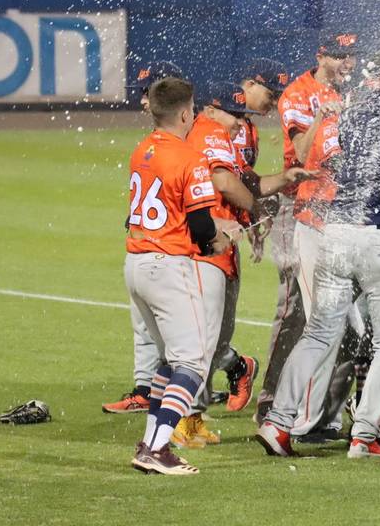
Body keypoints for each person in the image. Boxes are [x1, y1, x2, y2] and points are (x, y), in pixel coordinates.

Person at [256, 49, 380, 459]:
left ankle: (278, 423)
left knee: (318, 332)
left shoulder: (349, 113)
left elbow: (317, 156)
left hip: (335, 232)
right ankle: (364, 435)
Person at [177, 82, 311, 448]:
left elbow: (247, 181)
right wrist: (255, 208)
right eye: (235, 115)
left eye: (244, 116)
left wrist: (283, 180)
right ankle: (182, 418)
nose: (241, 123)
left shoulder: (210, 134)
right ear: (209, 110)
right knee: (202, 338)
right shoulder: (210, 133)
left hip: (213, 246)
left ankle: (193, 415)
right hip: (206, 247)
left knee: (213, 336)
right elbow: (224, 182)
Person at [123, 76, 230, 475]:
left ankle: (150, 442)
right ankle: (157, 447)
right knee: (193, 364)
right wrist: (216, 242)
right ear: (186, 113)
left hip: (136, 263)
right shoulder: (189, 156)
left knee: (170, 360)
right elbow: (201, 227)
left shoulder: (141, 149)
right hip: (167, 265)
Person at [255, 35, 351, 426]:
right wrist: (322, 118)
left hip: (340, 206)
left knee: (341, 303)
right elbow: (300, 151)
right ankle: (272, 397)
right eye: (339, 55)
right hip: (297, 204)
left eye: (351, 55)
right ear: (321, 55)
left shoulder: (353, 91)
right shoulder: (298, 94)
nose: (347, 62)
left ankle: (328, 408)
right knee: (295, 305)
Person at [103, 61, 185, 415]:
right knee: (148, 323)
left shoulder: (183, 136)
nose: (142, 102)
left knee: (186, 334)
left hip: (177, 247)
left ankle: (212, 381)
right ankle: (147, 389)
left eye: (146, 93)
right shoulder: (156, 139)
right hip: (154, 244)